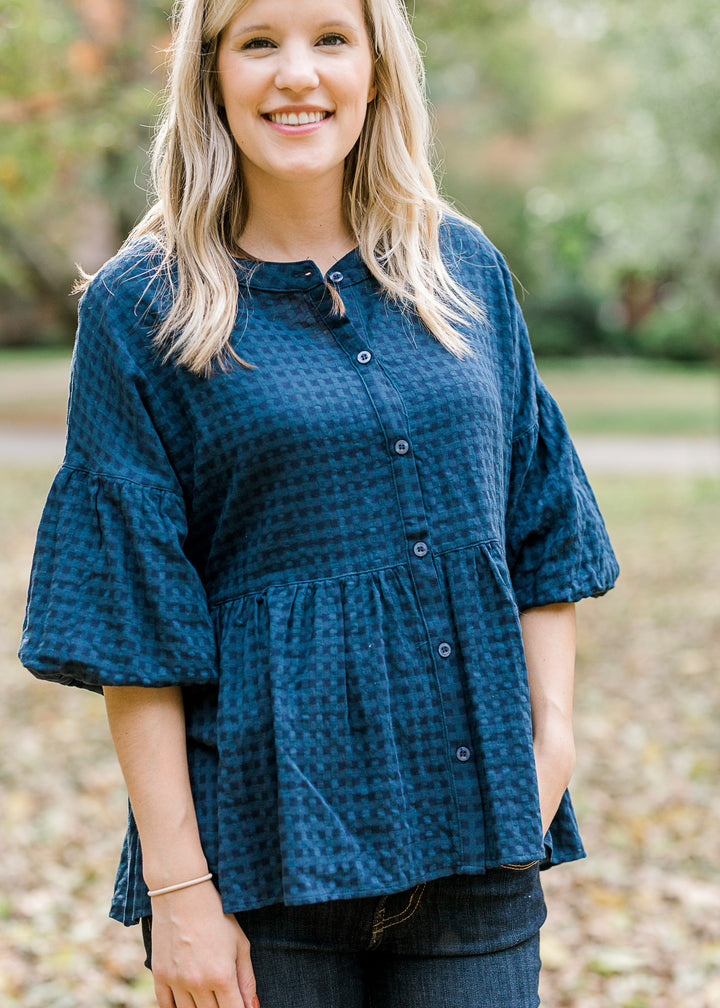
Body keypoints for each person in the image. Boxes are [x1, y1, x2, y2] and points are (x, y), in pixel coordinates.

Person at [19, 0, 619, 1005]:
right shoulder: (142, 307)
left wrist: (549, 743)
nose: (297, 74)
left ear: (377, 68)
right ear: (210, 75)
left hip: (479, 842)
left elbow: (540, 520)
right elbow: (134, 622)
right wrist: (180, 895)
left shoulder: (462, 269)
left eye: (330, 38)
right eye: (259, 42)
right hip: (262, 869)